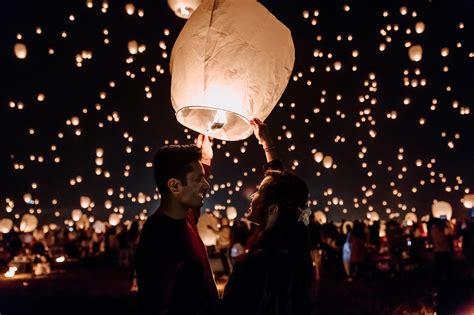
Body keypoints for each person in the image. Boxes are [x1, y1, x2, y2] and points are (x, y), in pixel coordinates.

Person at [220, 119, 315, 314]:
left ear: (272, 209)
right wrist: (268, 145)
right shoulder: (294, 246)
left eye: (259, 191)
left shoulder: (257, 265)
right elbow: (286, 191)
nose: (253, 195)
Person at [135, 134, 218, 315]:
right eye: (198, 179)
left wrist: (205, 159)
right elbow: (155, 306)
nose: (207, 185)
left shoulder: (185, 217)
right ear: (174, 186)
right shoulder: (158, 239)